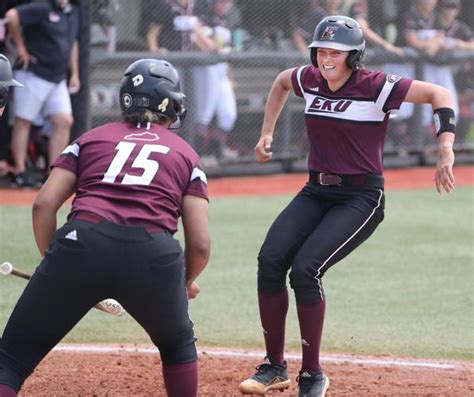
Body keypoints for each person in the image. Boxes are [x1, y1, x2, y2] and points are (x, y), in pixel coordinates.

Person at [238, 15, 455, 397]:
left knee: (305, 270)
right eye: (321, 50)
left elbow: (441, 94)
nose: (326, 58)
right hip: (315, 190)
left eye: (336, 52)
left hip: (361, 197)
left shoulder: (377, 86)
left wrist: (446, 149)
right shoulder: (310, 78)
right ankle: (274, 368)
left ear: (354, 57)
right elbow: (281, 82)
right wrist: (266, 132)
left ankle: (312, 375)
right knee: (270, 260)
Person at [0, 59, 211, 397]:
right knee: (177, 345)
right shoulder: (186, 154)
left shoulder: (90, 139)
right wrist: (182, 282)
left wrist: (54, 261)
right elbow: (199, 244)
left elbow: (43, 204)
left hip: (80, 244)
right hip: (154, 256)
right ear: (168, 103)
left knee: (9, 361)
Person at [6, 0, 80, 187]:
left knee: (63, 121)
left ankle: (53, 173)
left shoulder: (72, 11)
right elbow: (12, 15)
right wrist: (21, 48)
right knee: (23, 121)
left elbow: (73, 43)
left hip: (58, 78)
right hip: (33, 73)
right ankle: (20, 172)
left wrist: (75, 73)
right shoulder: (42, 6)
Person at [193, 0, 240, 160]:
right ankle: (197, 154)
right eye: (222, 2)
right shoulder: (203, 18)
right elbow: (196, 38)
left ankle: (215, 152)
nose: (226, 5)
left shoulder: (226, 22)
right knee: (203, 114)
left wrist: (230, 76)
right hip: (207, 68)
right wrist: (211, 47)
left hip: (221, 71)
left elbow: (226, 52)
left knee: (228, 115)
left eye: (228, 3)